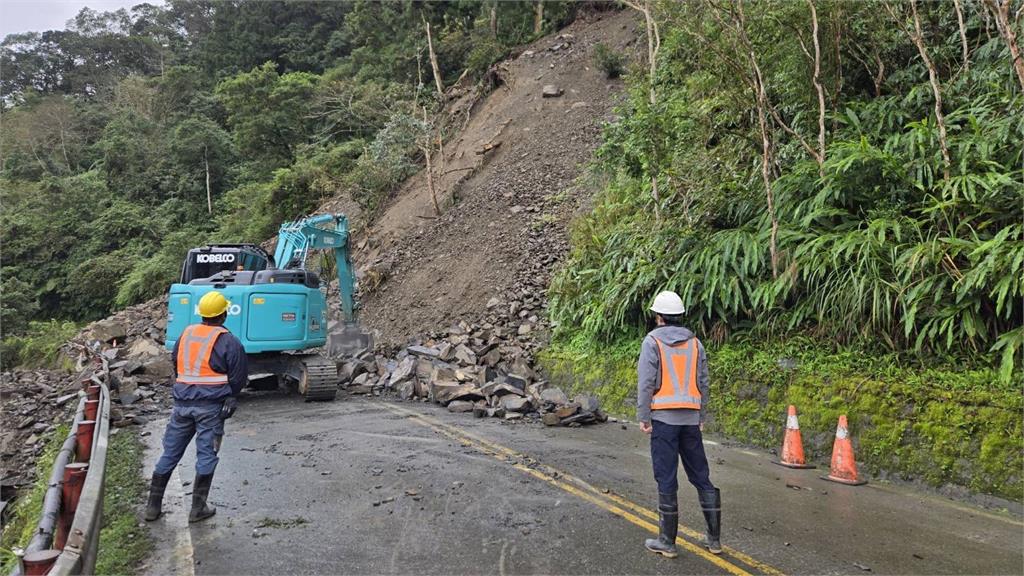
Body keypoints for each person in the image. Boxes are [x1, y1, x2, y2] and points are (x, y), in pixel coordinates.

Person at [144, 290, 247, 523]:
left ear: (201, 313)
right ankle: (198, 508)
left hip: (182, 405)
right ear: (224, 314)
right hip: (211, 408)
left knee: (170, 453)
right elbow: (239, 374)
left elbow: (176, 363)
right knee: (206, 455)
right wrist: (232, 396)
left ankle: (152, 507)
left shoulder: (186, 334)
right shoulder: (228, 340)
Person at [637, 290, 721, 558]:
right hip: (691, 420)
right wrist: (702, 416)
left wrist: (643, 416)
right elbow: (704, 383)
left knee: (666, 477)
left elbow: (646, 383)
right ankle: (714, 540)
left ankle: (667, 541)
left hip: (663, 420)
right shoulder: (696, 344)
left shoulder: (652, 342)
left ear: (658, 317)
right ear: (681, 316)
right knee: (701, 477)